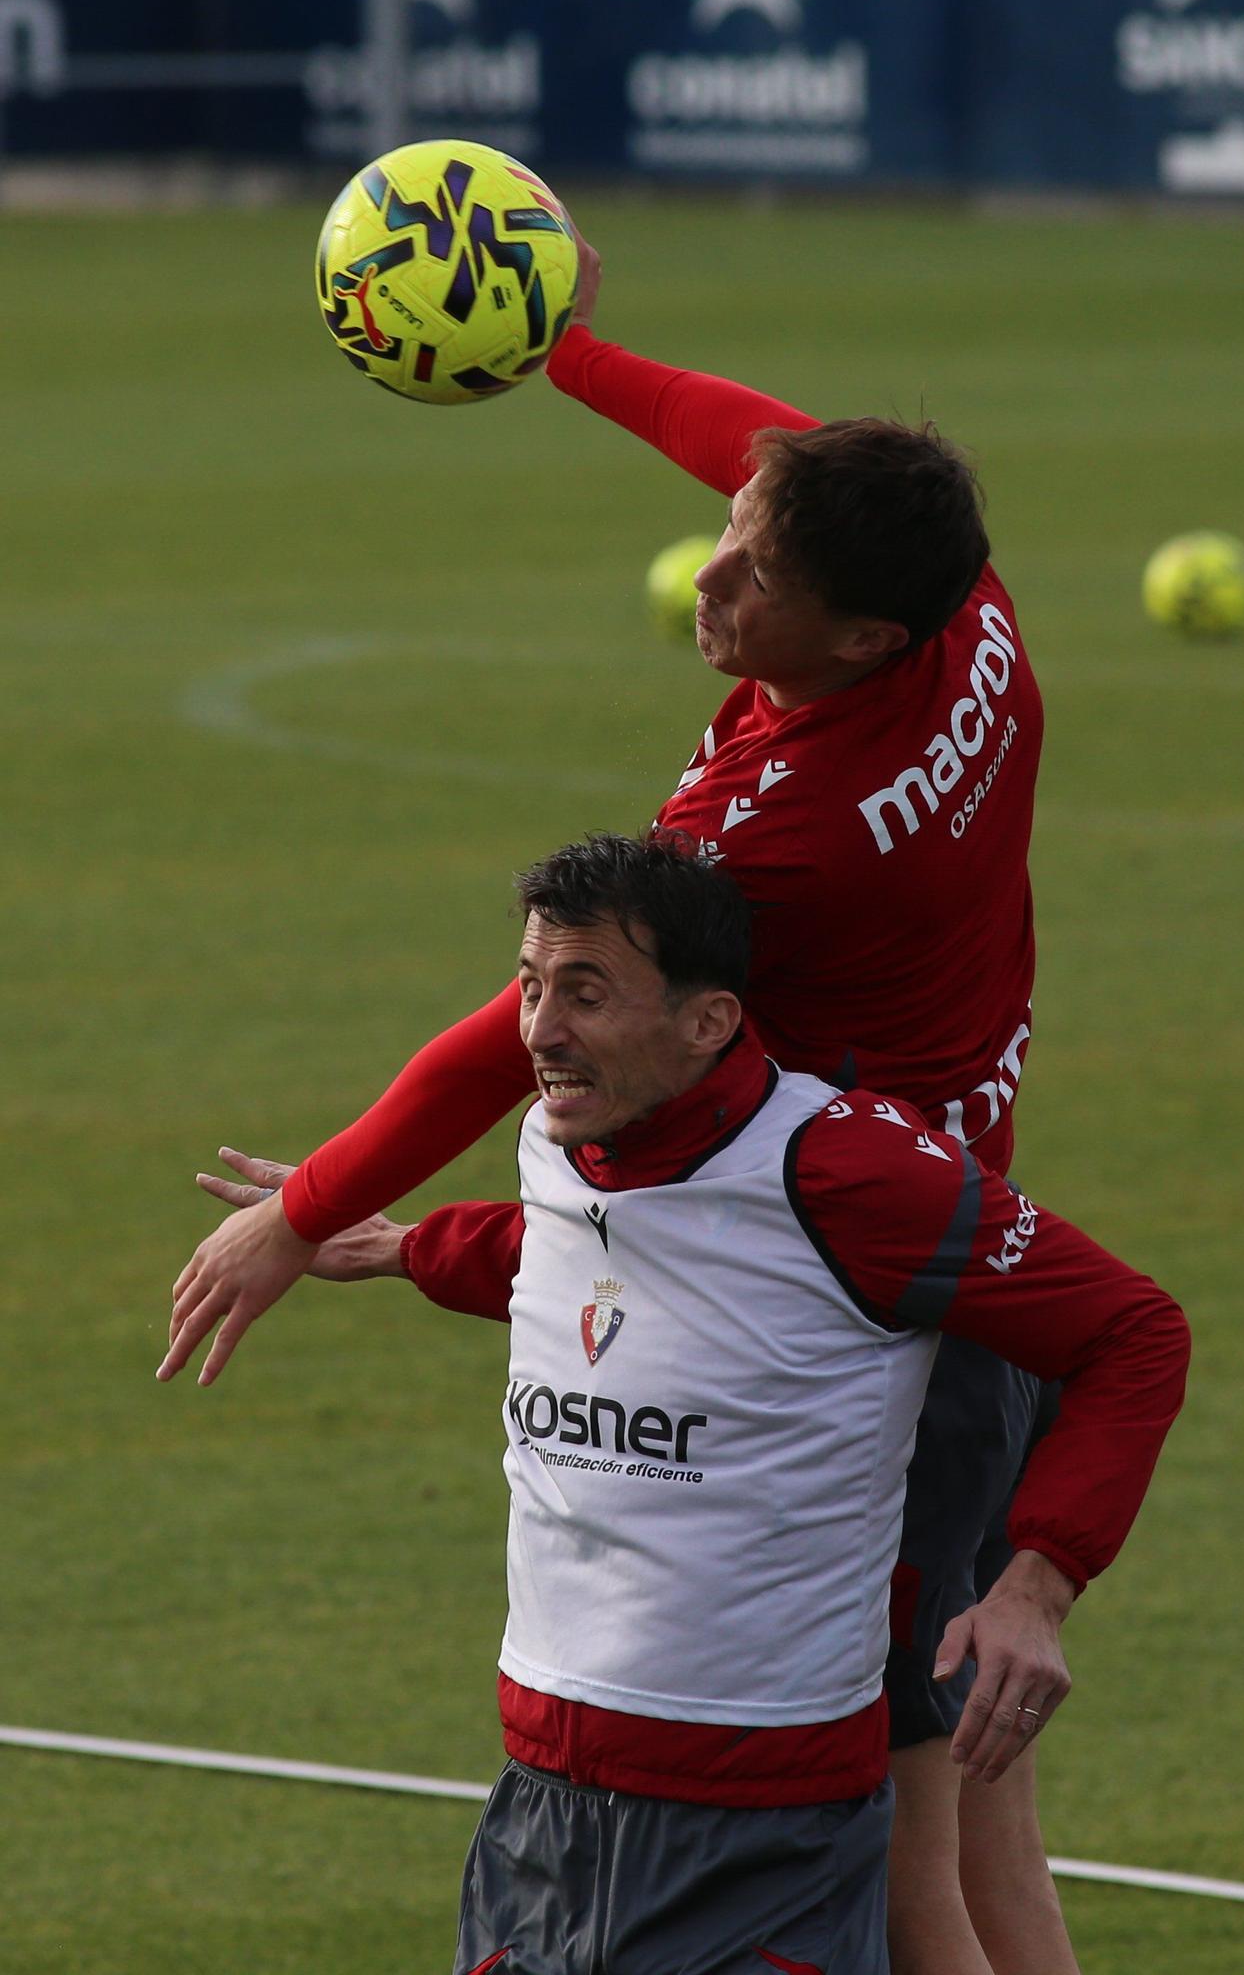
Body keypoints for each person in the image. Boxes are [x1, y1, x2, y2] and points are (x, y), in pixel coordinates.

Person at [165, 229, 1060, 1970]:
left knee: (904, 1868)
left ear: (857, 634)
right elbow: (742, 438)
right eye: (729, 536)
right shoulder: (962, 608)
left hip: (856, 1323)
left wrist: (304, 1208)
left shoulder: (775, 840)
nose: (704, 582)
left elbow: (526, 1028)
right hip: (957, 1252)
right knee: (982, 1831)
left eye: (750, 576)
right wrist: (557, 346)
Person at [161, 835, 1190, 1975]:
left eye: (586, 993)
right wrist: (408, 1248)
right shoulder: (566, 1143)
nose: (540, 1031)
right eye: (531, 985)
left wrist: (1039, 1584)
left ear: (709, 1020)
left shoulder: (850, 1173)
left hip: (762, 1834)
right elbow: (594, 1267)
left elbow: (1133, 1331)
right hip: (540, 1803)